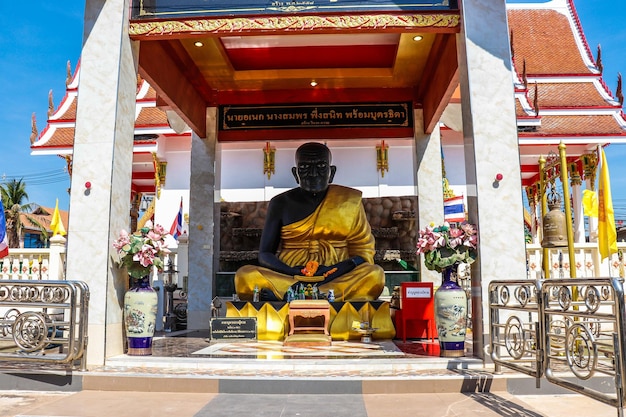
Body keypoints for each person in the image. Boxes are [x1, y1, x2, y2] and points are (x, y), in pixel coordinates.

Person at [234, 142, 385, 301]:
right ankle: (323, 297)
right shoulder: (280, 203)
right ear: (295, 173)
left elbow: (363, 252)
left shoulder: (349, 201)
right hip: (291, 275)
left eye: (321, 166)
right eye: (305, 167)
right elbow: (265, 254)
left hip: (336, 274)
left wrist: (331, 271)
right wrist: (294, 272)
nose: (313, 174)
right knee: (244, 277)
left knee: (375, 275)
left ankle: (291, 296)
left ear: (331, 172)